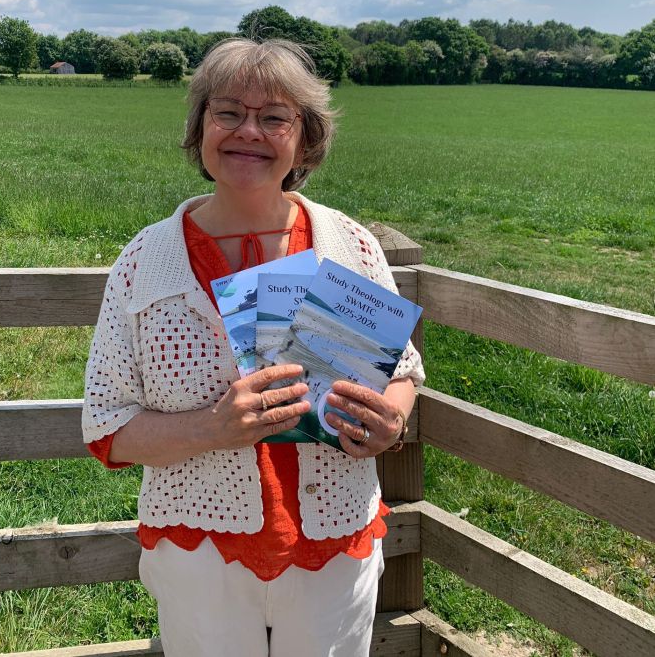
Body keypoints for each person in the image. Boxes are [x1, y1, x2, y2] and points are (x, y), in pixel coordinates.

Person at [82, 37, 425, 657]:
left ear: (305, 138)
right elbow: (107, 428)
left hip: (336, 538)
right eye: (228, 112)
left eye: (273, 117)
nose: (249, 131)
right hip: (200, 548)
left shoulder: (349, 245)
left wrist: (390, 421)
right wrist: (213, 427)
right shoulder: (146, 261)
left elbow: (402, 371)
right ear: (200, 128)